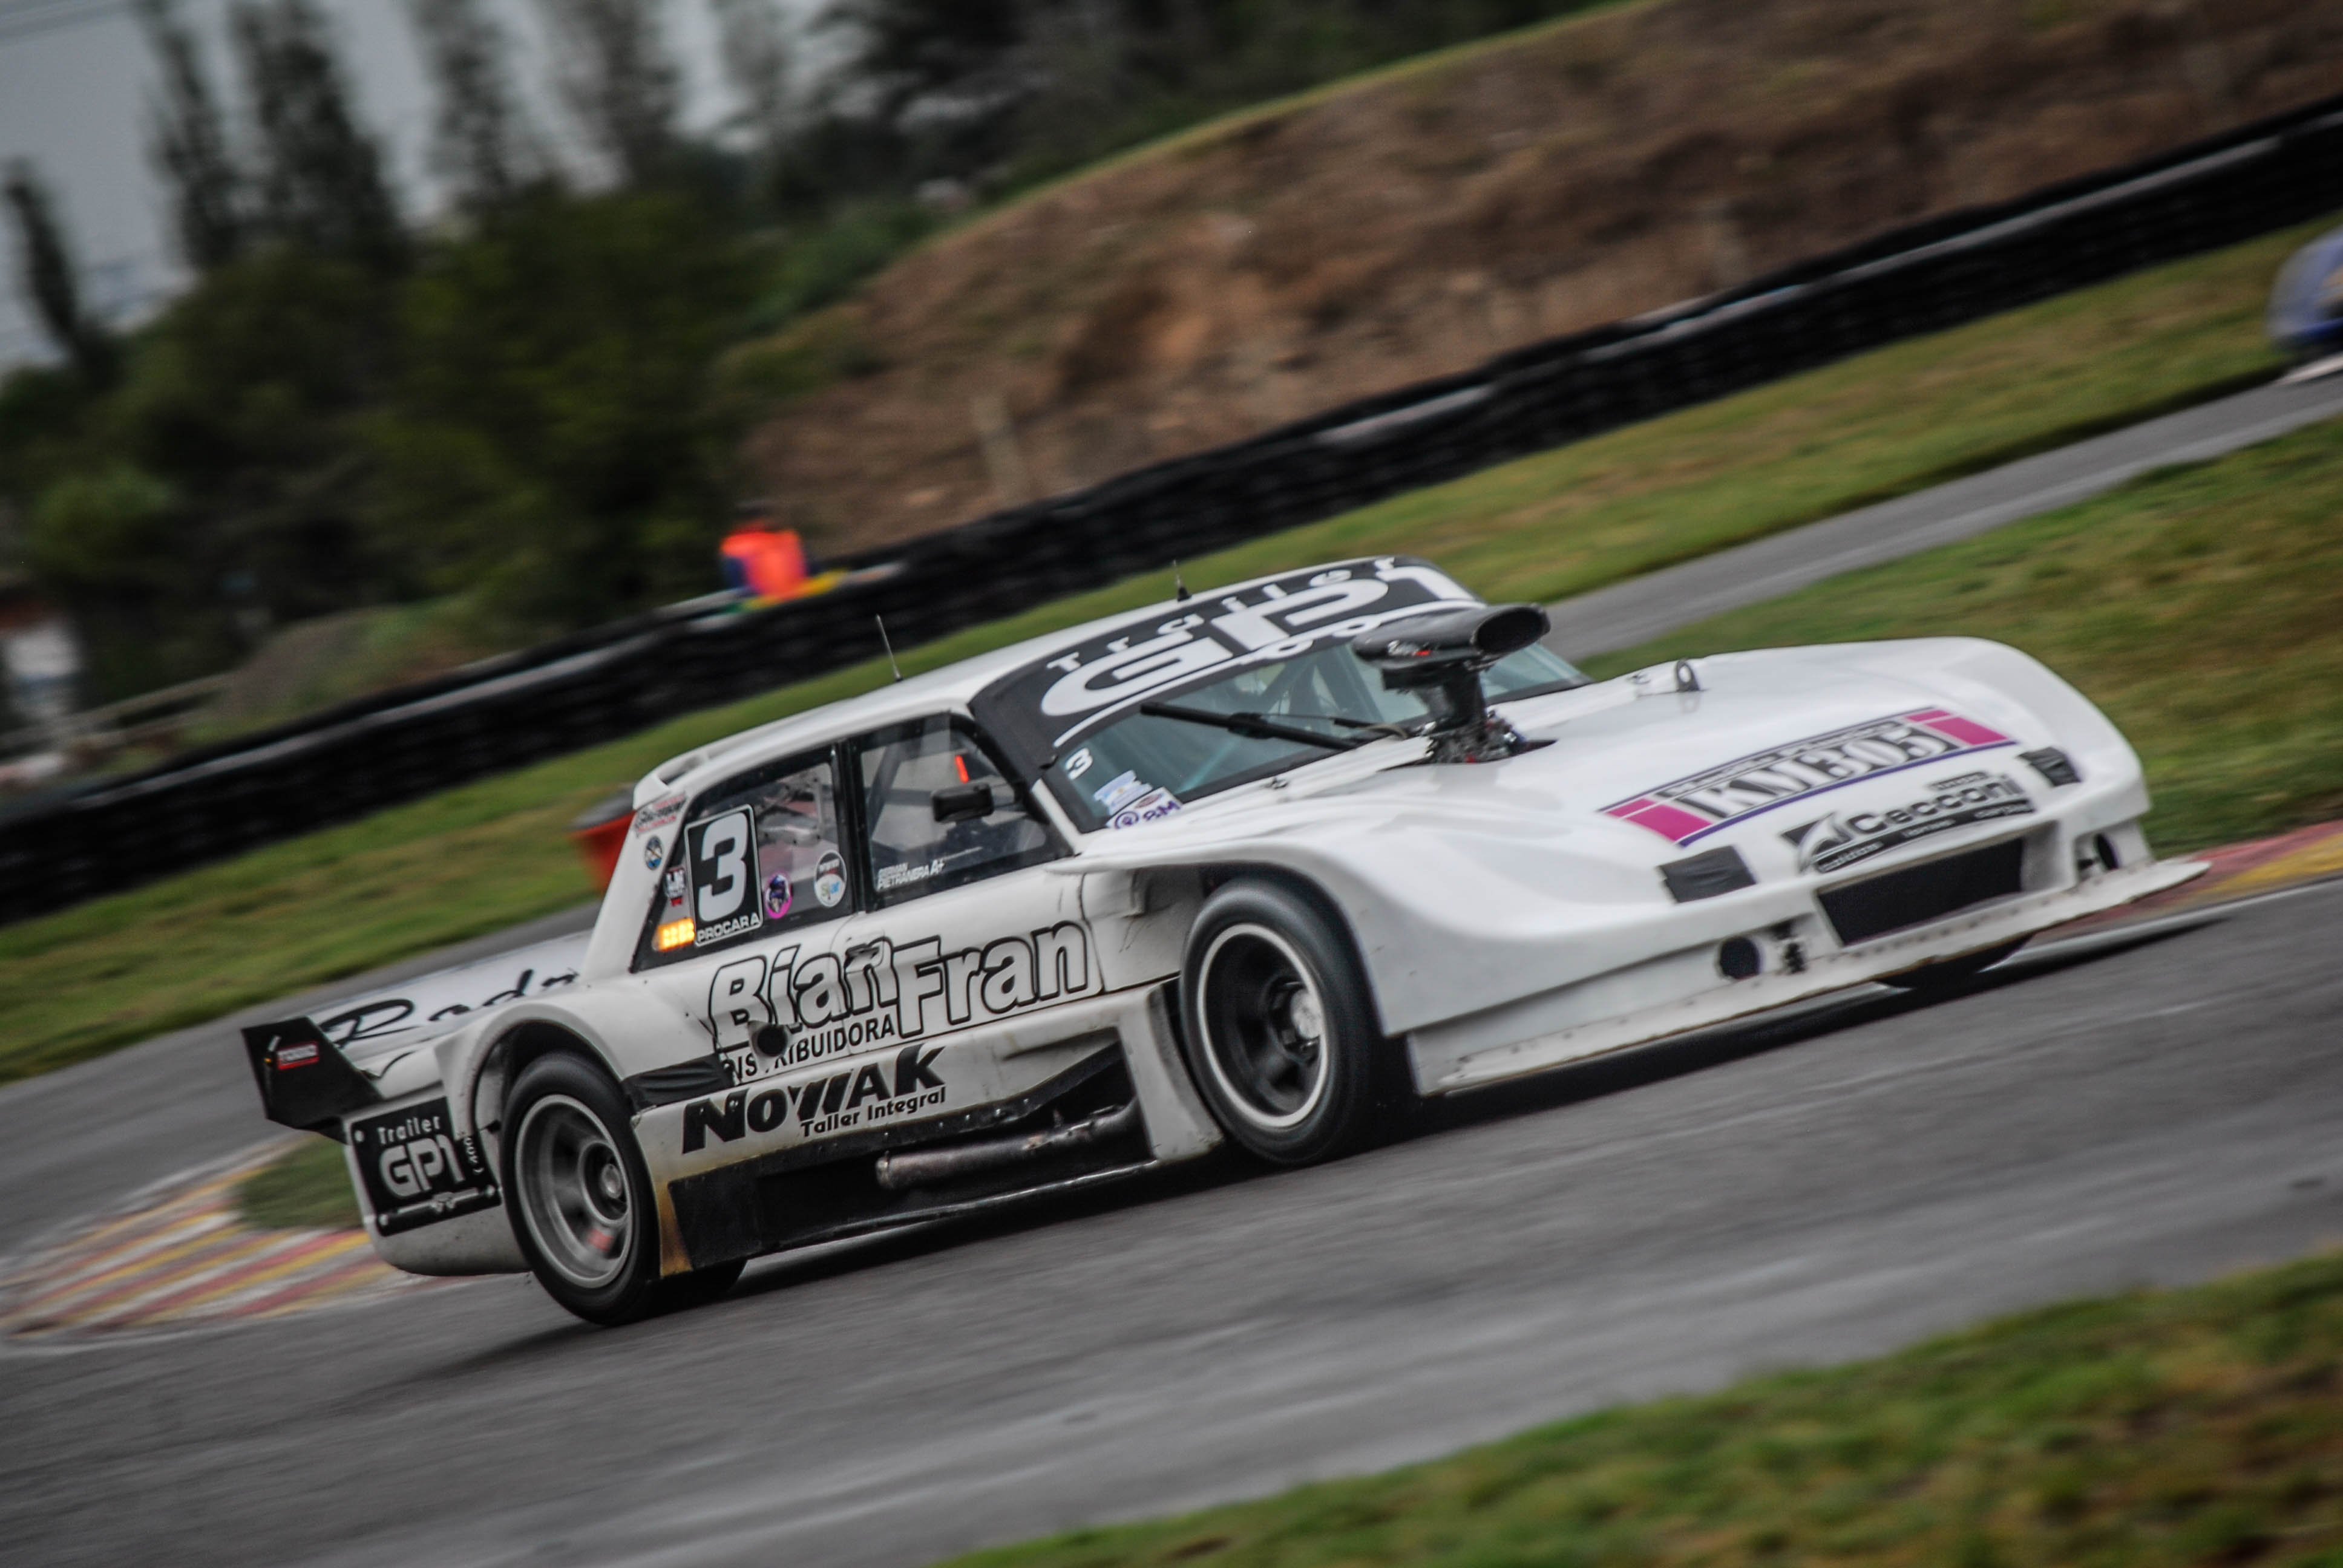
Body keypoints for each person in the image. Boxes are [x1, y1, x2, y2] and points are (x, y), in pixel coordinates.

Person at [719, 502, 811, 603]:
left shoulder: (787, 539)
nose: (762, 521)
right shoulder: (735, 547)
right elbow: (738, 583)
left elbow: (811, 568)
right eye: (755, 518)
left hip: (802, 599)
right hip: (764, 606)